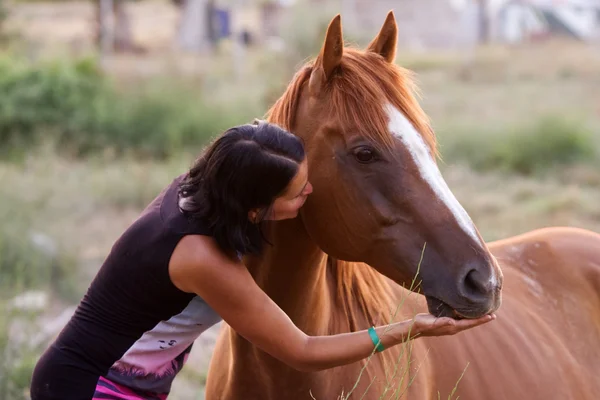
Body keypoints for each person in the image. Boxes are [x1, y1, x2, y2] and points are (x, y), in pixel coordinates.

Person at [30, 121, 495, 400]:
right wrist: (408, 329)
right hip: (88, 388)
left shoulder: (208, 187)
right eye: (297, 195)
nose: (309, 195)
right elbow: (302, 350)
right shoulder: (200, 257)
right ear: (256, 210)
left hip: (129, 384)